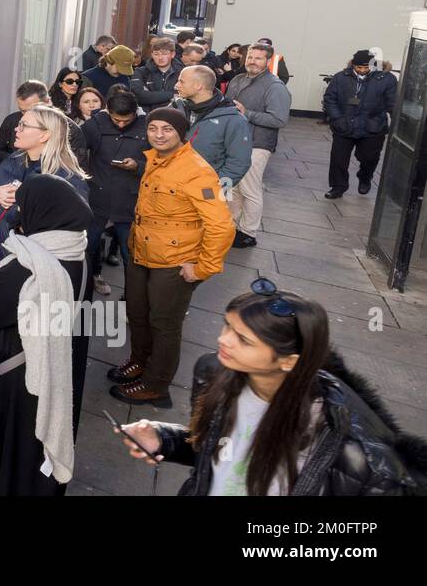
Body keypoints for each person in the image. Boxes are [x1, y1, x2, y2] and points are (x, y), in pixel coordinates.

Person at [118, 285, 427, 495]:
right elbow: (217, 449)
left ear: (289, 361)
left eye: (244, 339)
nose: (223, 340)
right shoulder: (214, 372)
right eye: (227, 325)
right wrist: (164, 439)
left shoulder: (355, 452)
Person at [0, 175, 93, 495]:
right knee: (29, 462)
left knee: (1, 461)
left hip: (17, 386)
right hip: (52, 374)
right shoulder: (77, 252)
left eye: (23, 206)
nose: (18, 214)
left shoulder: (34, 267)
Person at [108, 107, 234, 407]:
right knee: (137, 315)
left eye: (167, 129)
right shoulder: (153, 159)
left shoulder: (198, 170)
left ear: (181, 133)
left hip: (174, 262)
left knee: (164, 324)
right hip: (142, 253)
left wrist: (203, 267)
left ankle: (155, 385)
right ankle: (140, 363)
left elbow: (222, 225)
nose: (159, 135)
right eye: (153, 129)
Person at [0, 103, 89, 260]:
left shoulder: (68, 178)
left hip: (33, 268)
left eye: (24, 125)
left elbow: (70, 234)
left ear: (44, 135)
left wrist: (24, 206)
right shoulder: (13, 161)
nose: (16, 129)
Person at [81, 87, 148, 298]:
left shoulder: (149, 127)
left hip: (129, 201)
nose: (120, 124)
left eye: (126, 121)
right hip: (97, 197)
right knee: (88, 248)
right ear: (107, 111)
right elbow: (78, 154)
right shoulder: (94, 125)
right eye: (115, 120)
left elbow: (161, 164)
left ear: (136, 112)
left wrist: (138, 166)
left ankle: (131, 300)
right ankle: (86, 289)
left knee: (131, 255)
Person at [225, 43, 292, 247]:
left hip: (257, 144)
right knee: (233, 187)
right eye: (250, 58)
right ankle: (231, 227)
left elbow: (279, 120)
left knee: (250, 190)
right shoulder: (237, 79)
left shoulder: (275, 86)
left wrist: (247, 113)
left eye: (258, 58)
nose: (252, 62)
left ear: (268, 61)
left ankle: (248, 232)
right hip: (234, 142)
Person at [322, 49, 397, 199]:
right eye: (358, 68)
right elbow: (330, 99)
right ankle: (338, 186)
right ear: (353, 65)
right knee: (338, 159)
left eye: (366, 68)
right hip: (344, 125)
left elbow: (393, 103)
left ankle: (365, 177)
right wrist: (337, 119)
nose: (362, 71)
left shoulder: (387, 79)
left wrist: (398, 120)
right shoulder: (340, 77)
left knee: (369, 157)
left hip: (372, 127)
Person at [173, 64, 252, 187]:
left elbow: (238, 163)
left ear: (199, 86)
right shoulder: (175, 108)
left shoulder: (233, 119)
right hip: (171, 188)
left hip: (205, 193)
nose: (176, 85)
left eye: (181, 81)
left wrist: (212, 190)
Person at [0, 80, 89, 164]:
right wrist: (15, 163)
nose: (26, 115)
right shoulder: (12, 120)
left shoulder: (69, 129)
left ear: (47, 102)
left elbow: (76, 165)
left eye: (32, 109)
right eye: (22, 110)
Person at [129, 37, 182, 108]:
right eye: (156, 54)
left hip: (173, 115)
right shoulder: (141, 72)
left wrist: (150, 95)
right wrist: (172, 95)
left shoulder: (182, 73)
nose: (160, 58)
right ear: (152, 55)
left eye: (164, 54)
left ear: (172, 54)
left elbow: (184, 96)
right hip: (147, 115)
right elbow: (139, 96)